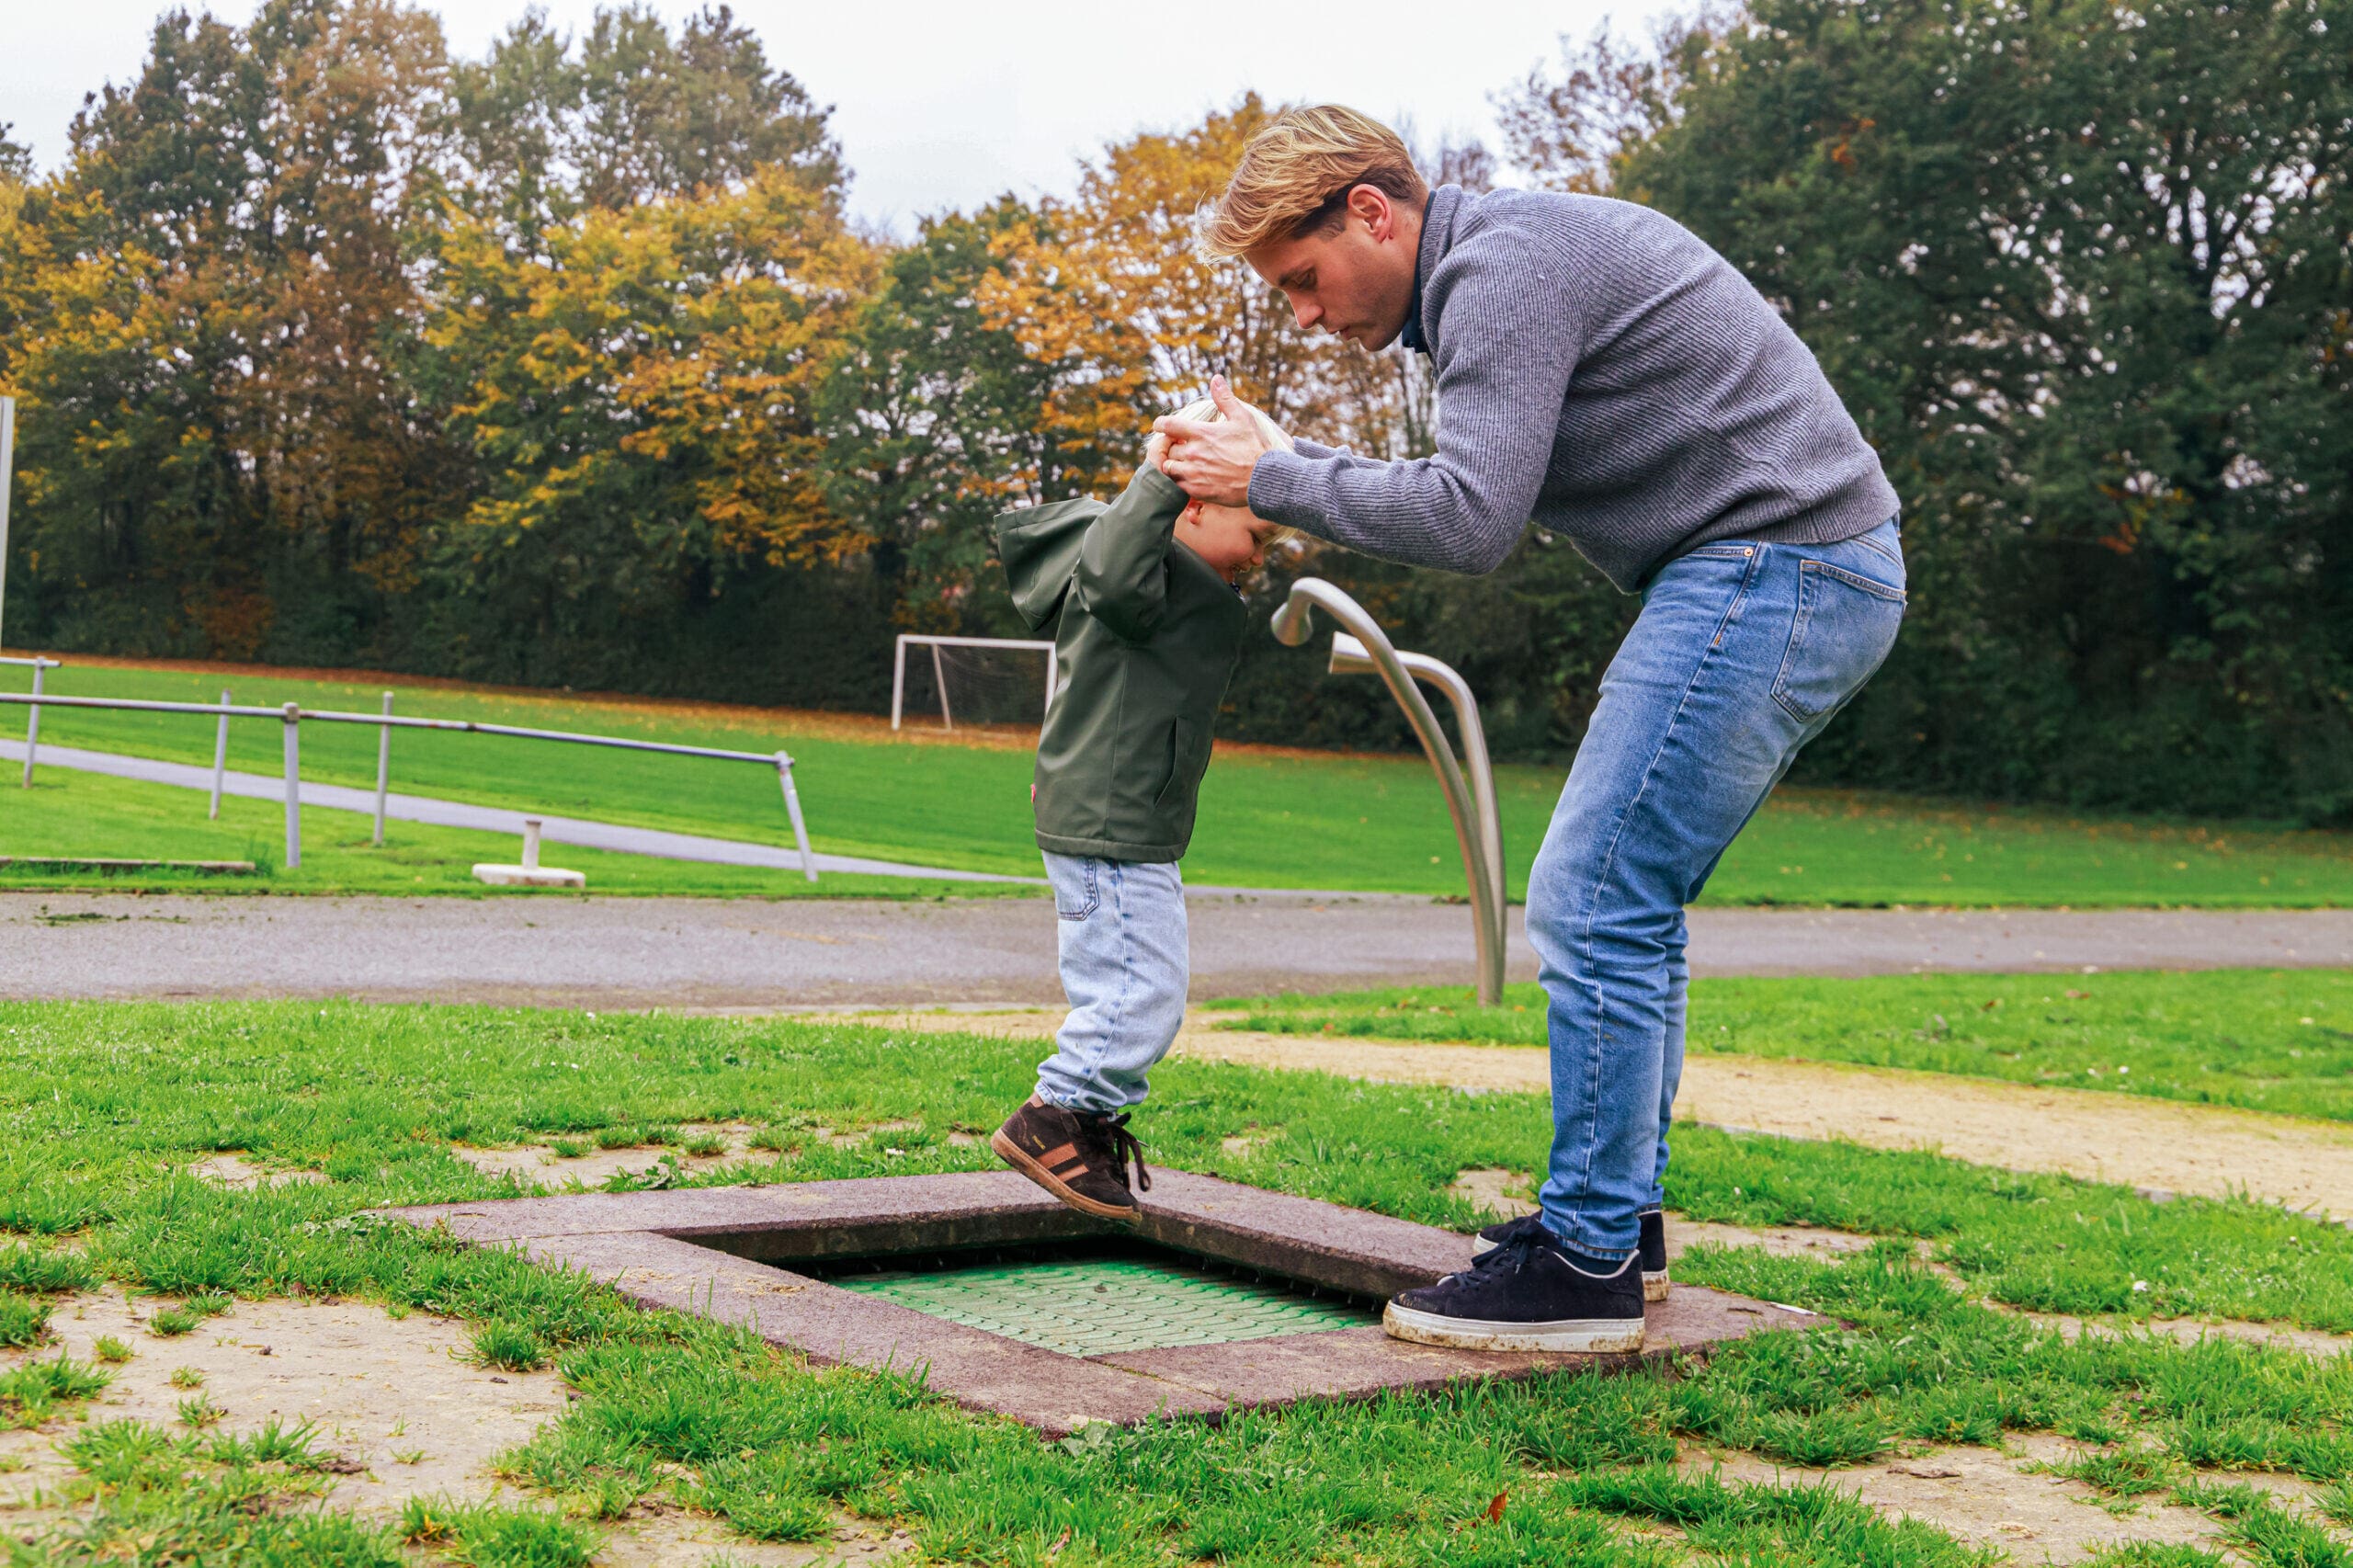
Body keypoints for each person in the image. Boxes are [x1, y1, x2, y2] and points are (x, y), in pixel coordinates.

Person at [1157, 106, 1906, 1353]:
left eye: (1303, 278)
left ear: (1373, 213)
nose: (1304, 312)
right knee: (1630, 897)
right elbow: (1465, 487)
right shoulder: (1487, 272)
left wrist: (1269, 478)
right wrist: (1286, 458)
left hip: (1778, 563)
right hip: (1788, 567)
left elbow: (1468, 519)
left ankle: (1586, 1264)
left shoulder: (1497, 273)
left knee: (1594, 892)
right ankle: (1616, 1228)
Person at [987, 400, 1295, 1221]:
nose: (1259, 557)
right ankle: (1057, 1117)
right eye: (1256, 537)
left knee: (1140, 982)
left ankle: (1079, 1123)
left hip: (1125, 820)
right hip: (1113, 822)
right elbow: (1118, 563)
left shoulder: (1177, 583)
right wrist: (1161, 470)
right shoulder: (1132, 574)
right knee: (1138, 989)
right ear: (1190, 505)